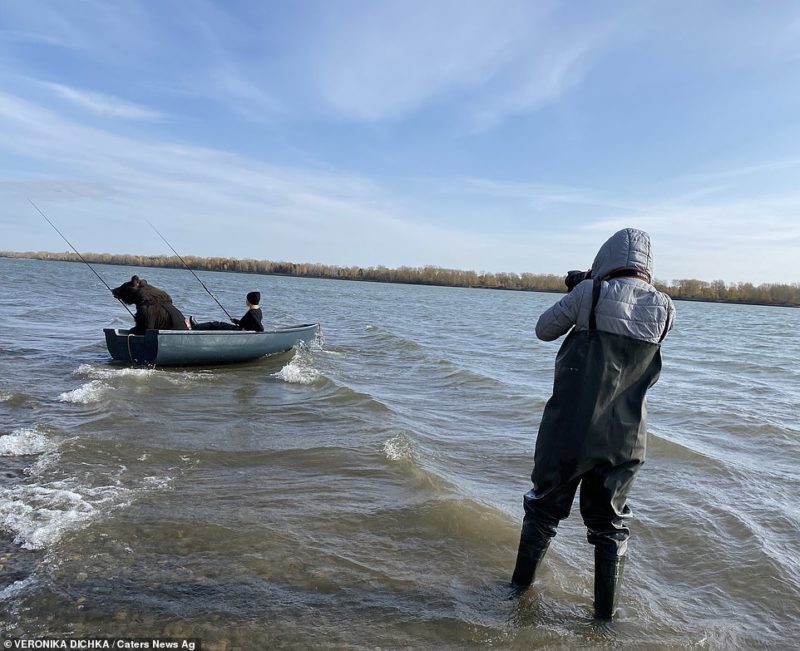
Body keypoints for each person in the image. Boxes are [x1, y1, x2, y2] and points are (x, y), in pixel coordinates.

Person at [510, 228, 675, 620]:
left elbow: (543, 330)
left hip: (571, 431)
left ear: (605, 258)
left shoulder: (589, 294)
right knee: (611, 528)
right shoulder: (667, 308)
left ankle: (515, 596)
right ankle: (604, 622)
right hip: (627, 440)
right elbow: (632, 317)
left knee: (543, 512)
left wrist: (582, 287)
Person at [190, 291, 265, 332]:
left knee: (217, 324)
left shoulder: (252, 313)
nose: (246, 301)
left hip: (239, 331)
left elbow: (261, 328)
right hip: (239, 329)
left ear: (250, 301)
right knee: (218, 325)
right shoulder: (258, 310)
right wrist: (235, 321)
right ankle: (199, 327)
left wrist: (247, 331)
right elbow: (245, 323)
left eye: (247, 299)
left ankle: (196, 327)